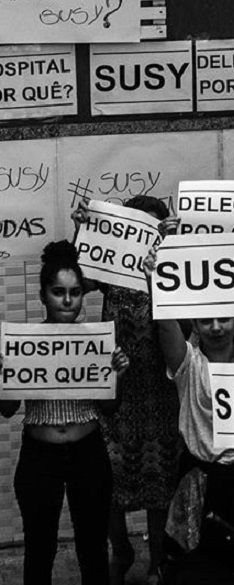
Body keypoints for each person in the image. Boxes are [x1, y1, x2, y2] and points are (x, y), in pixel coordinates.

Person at [143, 248, 234, 574]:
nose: (216, 326)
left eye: (223, 318)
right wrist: (155, 286)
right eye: (207, 320)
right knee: (195, 569)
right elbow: (166, 330)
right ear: (195, 322)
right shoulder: (188, 363)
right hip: (199, 480)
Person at [0, 240, 130, 585]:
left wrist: (115, 376)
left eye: (75, 292)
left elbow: (110, 409)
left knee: (92, 549)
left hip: (88, 452)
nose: (68, 300)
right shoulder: (24, 342)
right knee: (39, 548)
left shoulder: (98, 342)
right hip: (39, 455)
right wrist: (2, 375)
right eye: (59, 292)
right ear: (43, 295)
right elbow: (8, 410)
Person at [73, 195, 182, 585]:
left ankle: (156, 560)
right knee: (108, 480)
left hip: (159, 393)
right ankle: (121, 549)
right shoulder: (110, 271)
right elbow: (80, 279)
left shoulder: (175, 273)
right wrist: (83, 229)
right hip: (115, 391)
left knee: (158, 479)